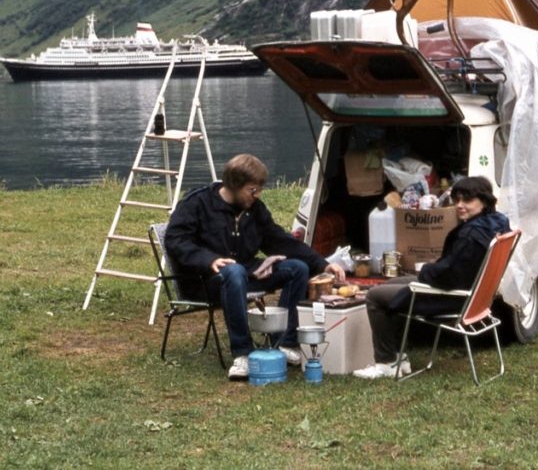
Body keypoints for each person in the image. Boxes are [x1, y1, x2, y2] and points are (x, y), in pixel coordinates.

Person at [163, 154, 346, 381]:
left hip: (246, 272)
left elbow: (280, 240)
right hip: (206, 280)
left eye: (259, 189)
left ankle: (285, 344)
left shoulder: (254, 209)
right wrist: (208, 259)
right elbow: (175, 240)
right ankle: (243, 354)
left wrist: (323, 264)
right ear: (234, 185)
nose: (257, 195)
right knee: (233, 271)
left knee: (297, 268)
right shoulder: (197, 203)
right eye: (252, 190)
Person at [353, 176, 510, 379]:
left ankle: (386, 362)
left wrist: (426, 269)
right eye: (457, 200)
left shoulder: (470, 235)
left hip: (453, 297)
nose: (460, 206)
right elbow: (458, 267)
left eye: (467, 201)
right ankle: (400, 358)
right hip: (476, 297)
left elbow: (449, 275)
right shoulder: (497, 222)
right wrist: (434, 268)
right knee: (391, 284)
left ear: (485, 200)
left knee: (375, 296)